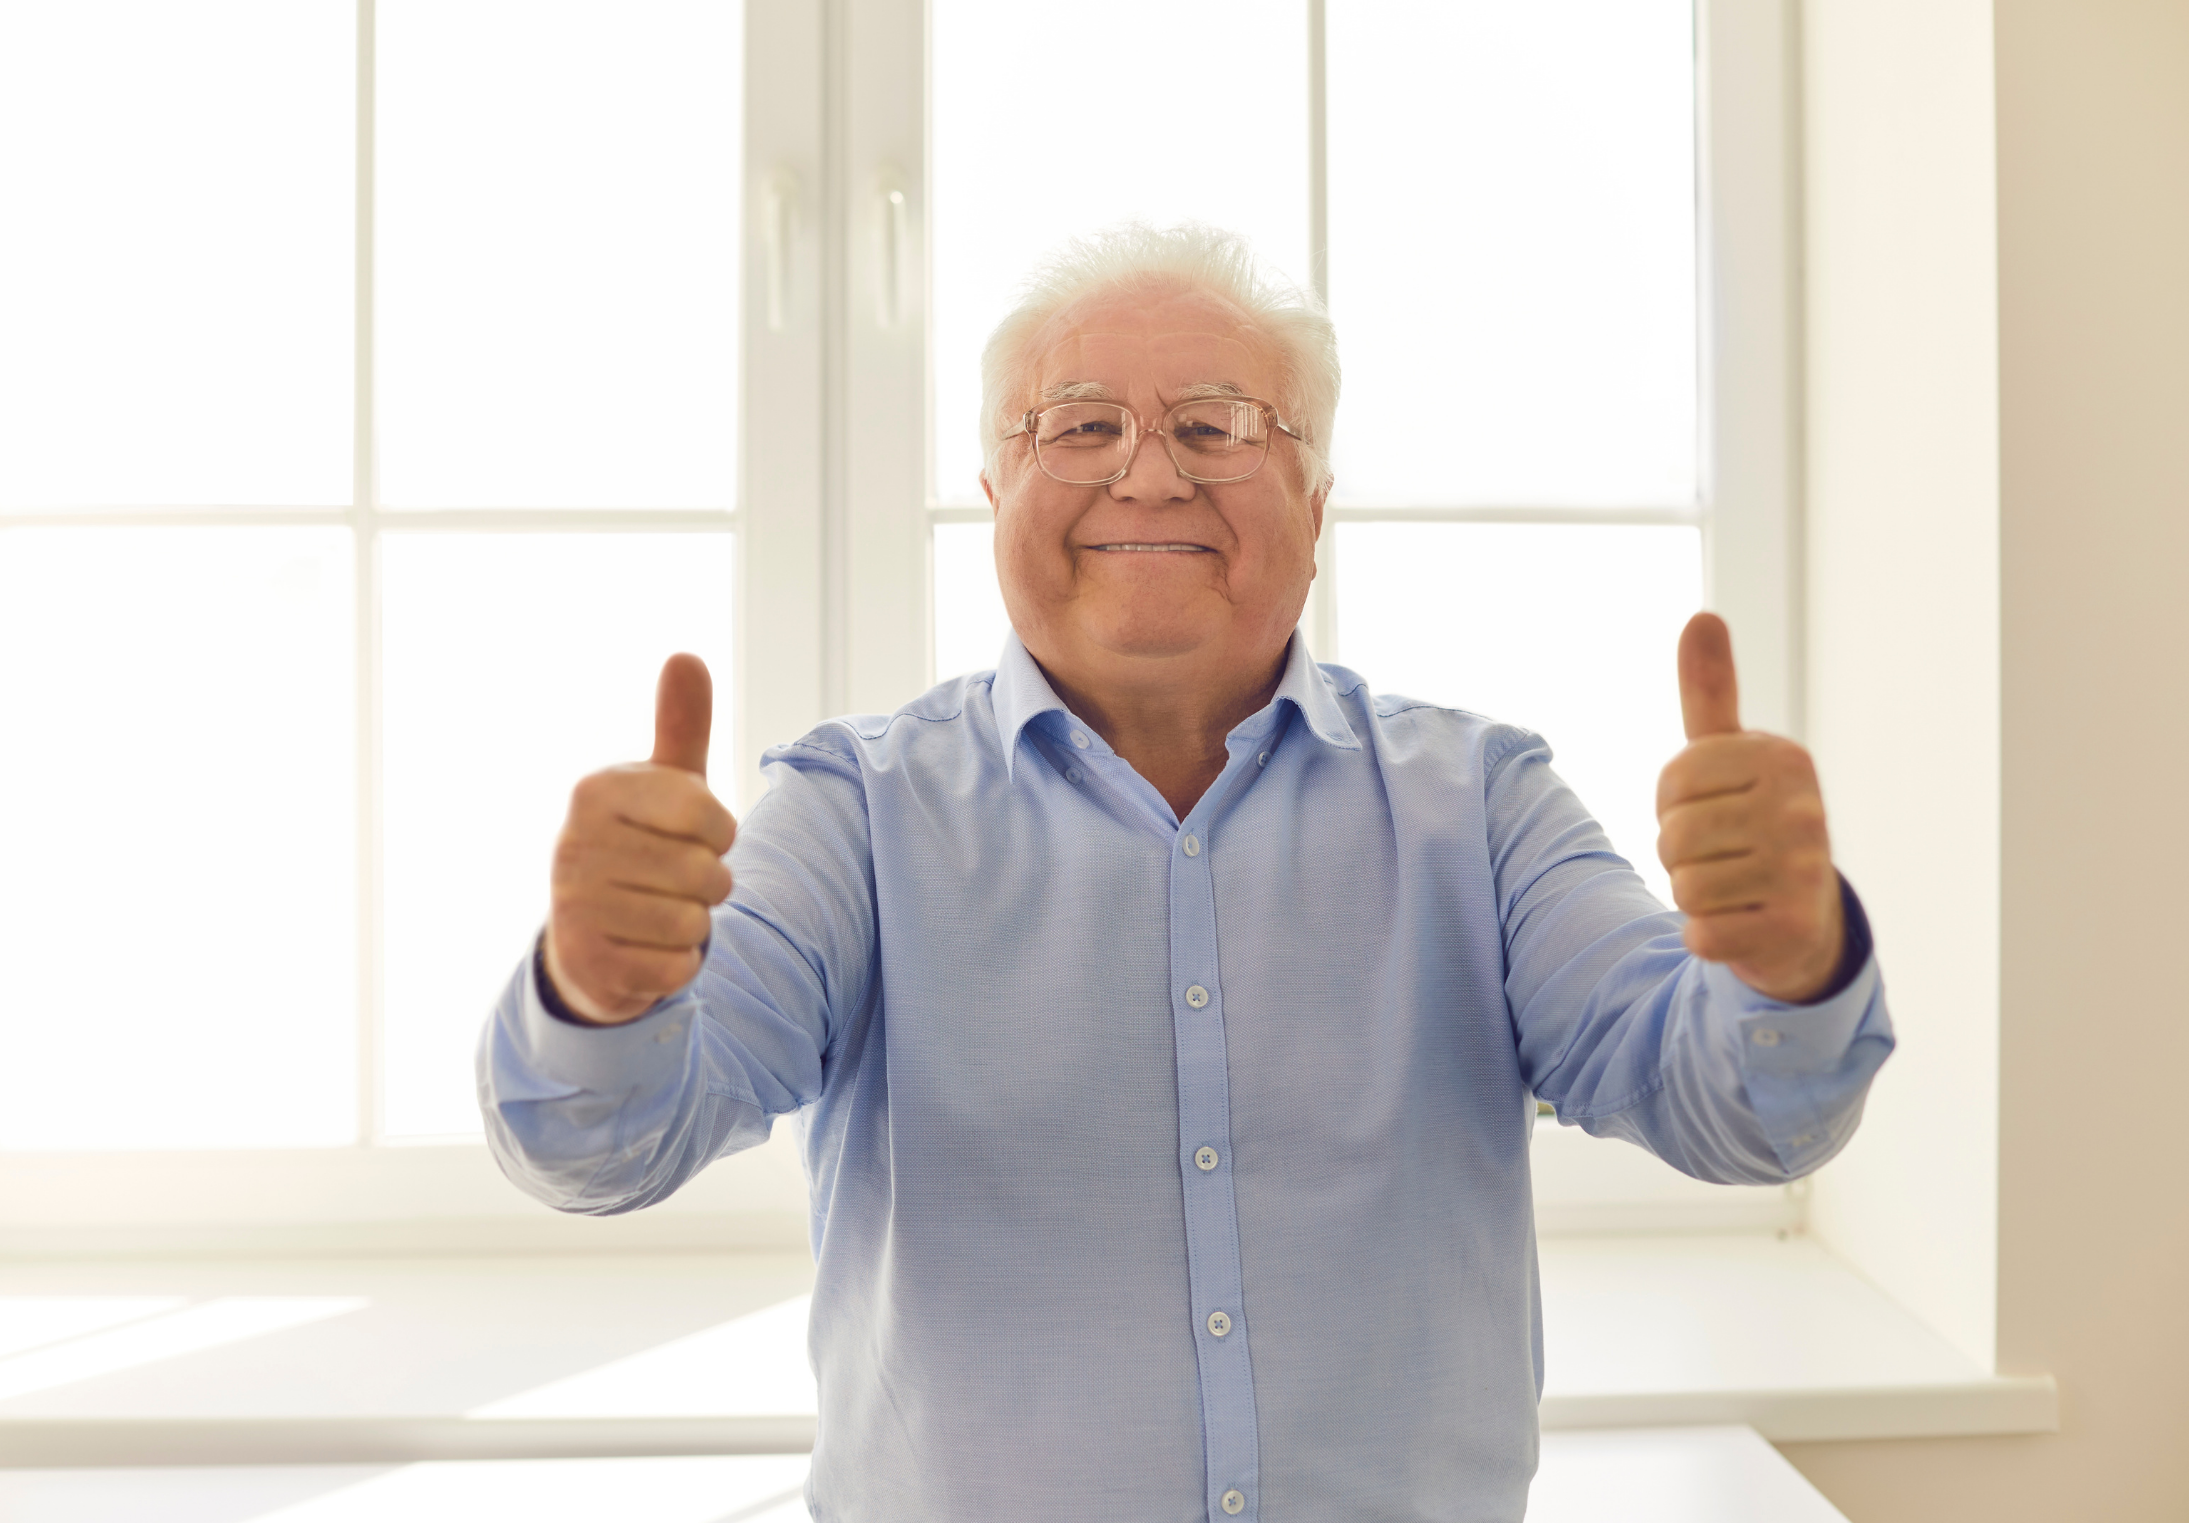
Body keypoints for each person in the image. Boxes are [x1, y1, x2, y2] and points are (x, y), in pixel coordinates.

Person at [478, 223, 1892, 1521]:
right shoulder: (852, 809)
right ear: (994, 491)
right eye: (1079, 424)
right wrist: (597, 994)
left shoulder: (1480, 800)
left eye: (1213, 426)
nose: (1146, 472)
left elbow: (1734, 1113)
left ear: (1314, 496)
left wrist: (1782, 962)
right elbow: (606, 1145)